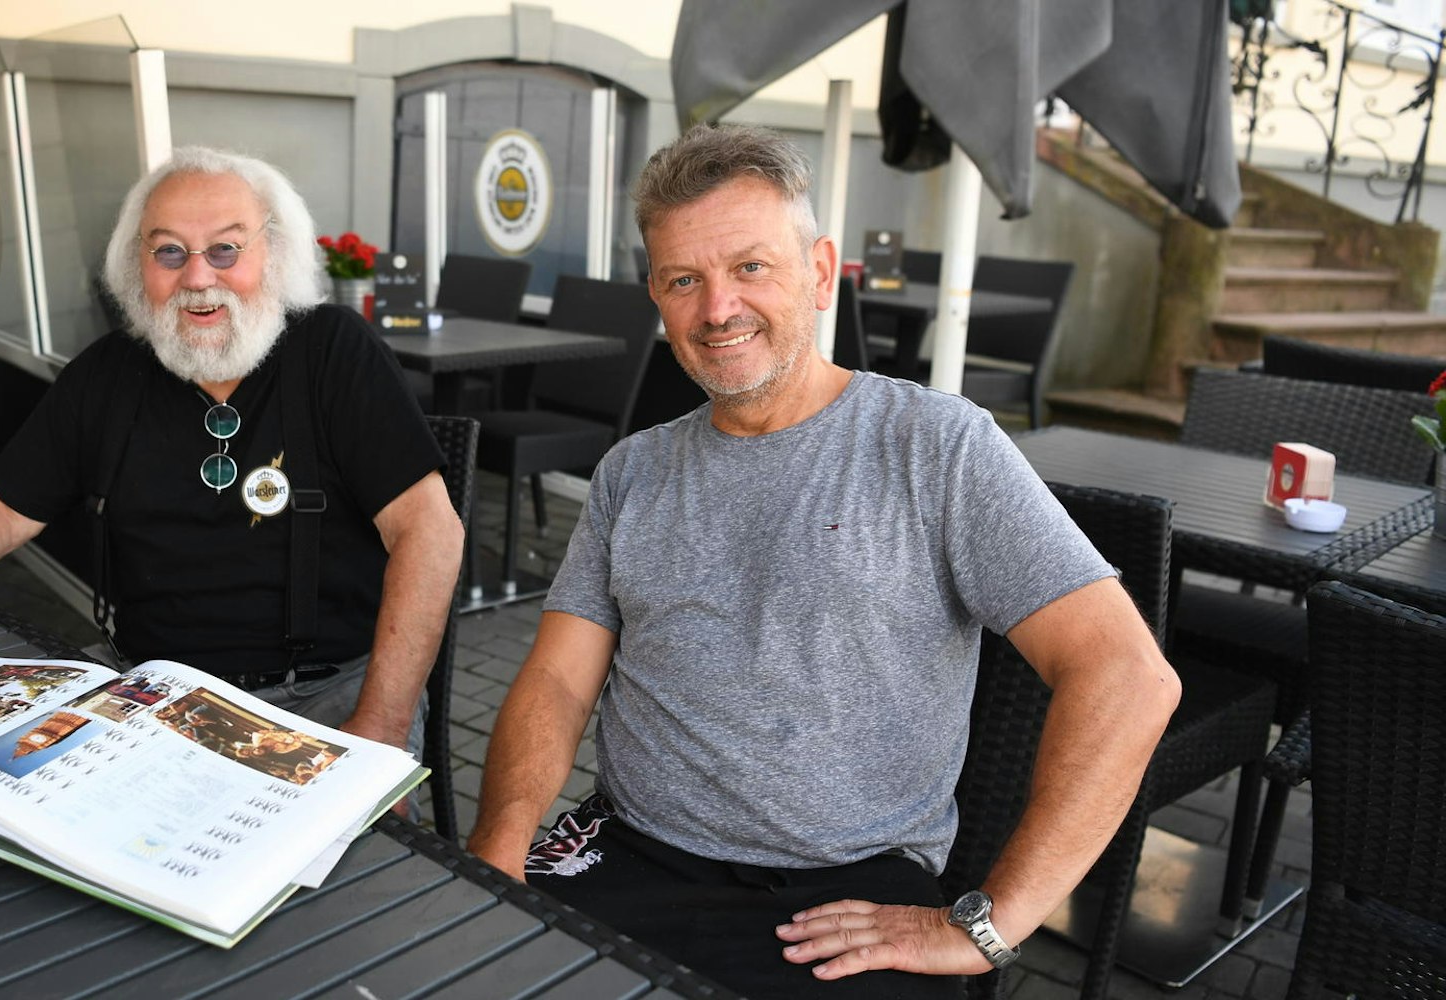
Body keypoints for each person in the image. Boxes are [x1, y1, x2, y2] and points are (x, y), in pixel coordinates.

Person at [464, 124, 1180, 997]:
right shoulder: (632, 471)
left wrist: (987, 924)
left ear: (818, 268)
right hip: (621, 853)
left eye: (750, 267)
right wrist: (497, 851)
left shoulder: (936, 446)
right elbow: (558, 683)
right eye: (683, 280)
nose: (717, 308)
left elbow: (1128, 677)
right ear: (656, 295)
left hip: (843, 901)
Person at [0, 147, 463, 763]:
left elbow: (430, 532)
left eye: (225, 249)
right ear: (137, 265)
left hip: (321, 694)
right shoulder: (108, 374)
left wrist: (380, 722)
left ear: (273, 253)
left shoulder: (334, 353)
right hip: (141, 689)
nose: (196, 278)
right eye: (169, 251)